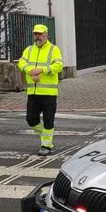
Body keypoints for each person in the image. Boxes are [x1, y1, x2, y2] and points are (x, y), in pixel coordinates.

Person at [17, 24, 63, 156]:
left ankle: (46, 145)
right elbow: (21, 62)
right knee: (31, 119)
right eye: (36, 34)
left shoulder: (54, 49)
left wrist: (42, 70)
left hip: (49, 93)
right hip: (33, 92)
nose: (37, 36)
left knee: (48, 120)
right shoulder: (29, 49)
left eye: (40, 34)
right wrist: (30, 71)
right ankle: (46, 136)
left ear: (46, 35)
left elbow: (59, 66)